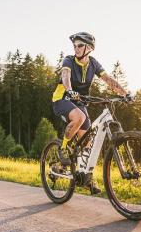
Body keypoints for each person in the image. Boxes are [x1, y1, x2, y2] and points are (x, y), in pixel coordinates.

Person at [51, 32, 129, 194]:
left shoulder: (93, 64)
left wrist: (124, 93)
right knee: (79, 117)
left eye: (80, 45)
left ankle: (85, 177)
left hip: (80, 101)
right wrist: (70, 90)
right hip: (62, 98)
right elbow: (66, 76)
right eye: (75, 45)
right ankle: (63, 148)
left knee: (87, 143)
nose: (76, 48)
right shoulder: (69, 60)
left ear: (89, 48)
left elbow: (108, 79)